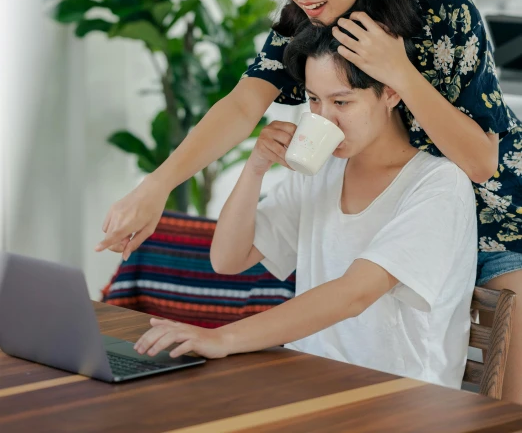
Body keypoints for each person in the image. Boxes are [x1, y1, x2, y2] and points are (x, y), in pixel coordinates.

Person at [98, 0, 522, 401]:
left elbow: (480, 163)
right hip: (385, 189)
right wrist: (156, 186)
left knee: (506, 385)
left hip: (488, 208)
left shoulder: (440, 13)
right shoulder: (307, 21)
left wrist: (400, 71)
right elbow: (240, 105)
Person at [133, 22, 477, 389]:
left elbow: (354, 294)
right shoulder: (322, 168)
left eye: (341, 101)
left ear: (390, 92)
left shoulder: (439, 185)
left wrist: (223, 338)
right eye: (314, 100)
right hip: (310, 383)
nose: (324, 118)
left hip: (402, 402)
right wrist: (255, 169)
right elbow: (228, 259)